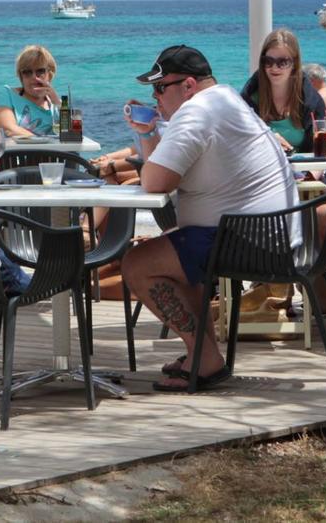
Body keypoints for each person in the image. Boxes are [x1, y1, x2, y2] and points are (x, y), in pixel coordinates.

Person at [120, 45, 298, 392]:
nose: (155, 98)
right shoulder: (225, 100)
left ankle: (205, 357)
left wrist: (147, 136)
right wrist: (146, 134)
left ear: (187, 85)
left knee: (137, 264)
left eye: (160, 88)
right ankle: (203, 355)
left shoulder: (198, 111)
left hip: (247, 242)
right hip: (271, 236)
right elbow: (162, 172)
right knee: (177, 259)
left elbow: (155, 182)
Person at [240, 29, 326, 153]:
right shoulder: (249, 97)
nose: (274, 67)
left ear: (294, 64)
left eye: (282, 62)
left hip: (304, 170)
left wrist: (309, 173)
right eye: (268, 61)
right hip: (263, 170)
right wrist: (267, 138)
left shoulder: (310, 101)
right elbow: (236, 138)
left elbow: (322, 151)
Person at [0, 44, 61, 137]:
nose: (34, 77)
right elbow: (7, 129)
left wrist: (58, 103)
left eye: (40, 71)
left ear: (50, 74)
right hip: (13, 151)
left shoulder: (56, 106)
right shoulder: (7, 94)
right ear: (21, 76)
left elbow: (73, 135)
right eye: (27, 72)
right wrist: (41, 141)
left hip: (51, 152)